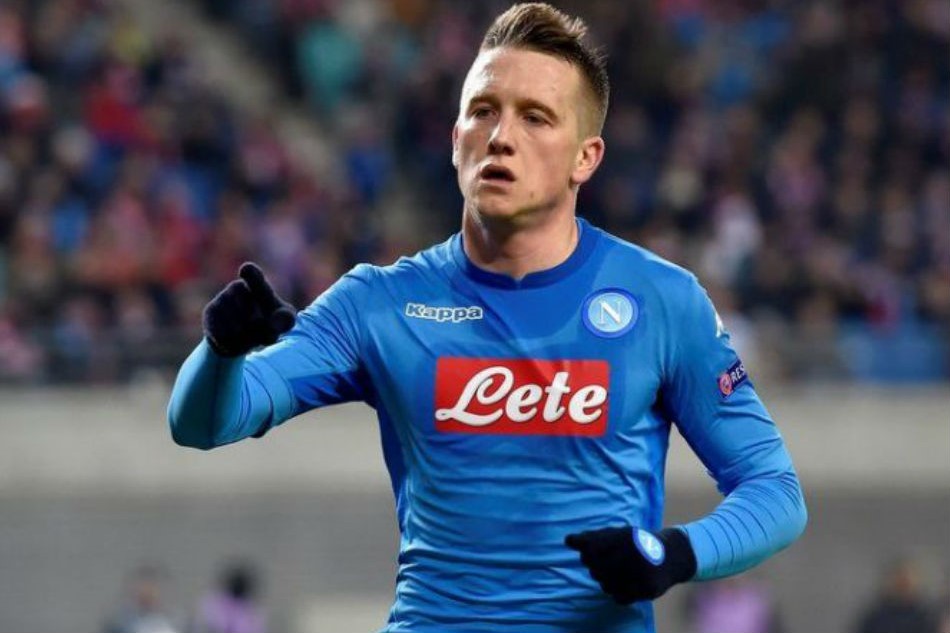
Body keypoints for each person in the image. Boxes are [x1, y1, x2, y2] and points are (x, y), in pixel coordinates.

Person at [168, 3, 807, 631]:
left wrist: (674, 553)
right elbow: (202, 424)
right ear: (455, 141)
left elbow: (774, 490)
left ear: (585, 157)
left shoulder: (664, 302)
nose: (501, 135)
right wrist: (221, 352)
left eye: (535, 117)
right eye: (482, 111)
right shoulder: (376, 303)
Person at [852, 558, 937, 633]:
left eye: (906, 581)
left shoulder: (925, 617)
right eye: (899, 580)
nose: (903, 585)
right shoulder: (875, 617)